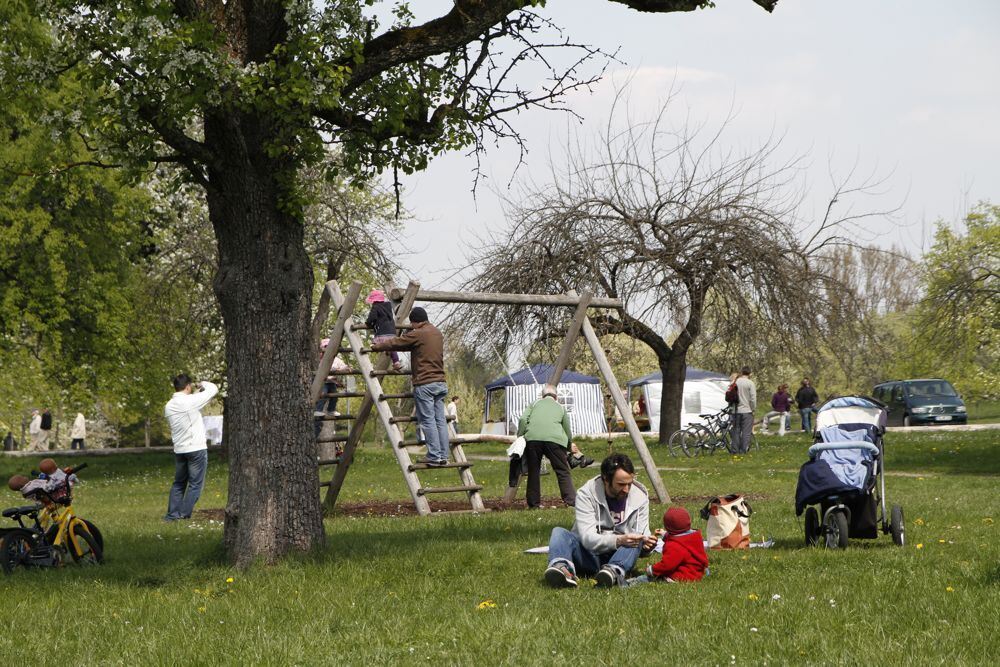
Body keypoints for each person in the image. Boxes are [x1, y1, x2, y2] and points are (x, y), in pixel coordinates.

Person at [543, 453, 656, 588]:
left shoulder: (640, 497)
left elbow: (644, 535)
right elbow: (587, 538)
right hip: (588, 554)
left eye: (629, 484)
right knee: (559, 533)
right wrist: (619, 540)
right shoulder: (586, 494)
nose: (626, 489)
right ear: (606, 479)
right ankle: (562, 569)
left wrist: (647, 546)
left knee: (636, 539)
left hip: (620, 554)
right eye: (621, 484)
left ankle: (613, 571)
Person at [372, 307, 449, 466]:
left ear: (415, 322)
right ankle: (443, 456)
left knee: (428, 421)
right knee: (440, 421)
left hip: (425, 383)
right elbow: (412, 344)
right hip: (440, 382)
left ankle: (434, 457)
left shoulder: (418, 333)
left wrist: (378, 346)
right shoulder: (437, 333)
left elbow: (397, 342)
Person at [163, 374, 218, 521]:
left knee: (179, 483)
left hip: (180, 450)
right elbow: (213, 389)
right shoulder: (190, 401)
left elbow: (189, 406)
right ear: (188, 386)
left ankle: (172, 515)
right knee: (195, 484)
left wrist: (194, 392)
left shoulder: (168, 406)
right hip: (196, 449)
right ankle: (183, 515)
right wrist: (202, 384)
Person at [517, 385, 576, 509]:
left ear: (542, 396)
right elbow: (567, 429)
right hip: (555, 440)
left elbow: (522, 419)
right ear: (556, 397)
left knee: (534, 471)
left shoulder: (534, 404)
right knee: (562, 471)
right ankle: (570, 501)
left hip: (533, 439)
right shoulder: (560, 407)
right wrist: (569, 445)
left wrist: (520, 436)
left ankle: (534, 504)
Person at [626, 506, 709, 585]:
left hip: (684, 575)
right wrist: (664, 534)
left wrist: (652, 570)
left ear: (668, 526)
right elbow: (678, 536)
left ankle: (629, 583)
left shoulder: (674, 546)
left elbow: (667, 565)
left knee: (648, 578)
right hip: (696, 570)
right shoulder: (694, 537)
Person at [364, 289, 401, 370]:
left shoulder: (376, 307)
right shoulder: (388, 307)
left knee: (375, 344)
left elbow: (372, 317)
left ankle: (380, 348)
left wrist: (368, 323)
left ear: (374, 301)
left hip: (382, 331)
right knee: (392, 348)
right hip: (392, 331)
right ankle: (396, 362)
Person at [730, 367, 756, 454]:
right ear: (750, 373)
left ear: (741, 372)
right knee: (746, 432)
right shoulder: (750, 383)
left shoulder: (735, 382)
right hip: (746, 410)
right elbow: (753, 399)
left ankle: (734, 450)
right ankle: (743, 450)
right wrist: (753, 409)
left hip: (735, 410)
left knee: (736, 431)